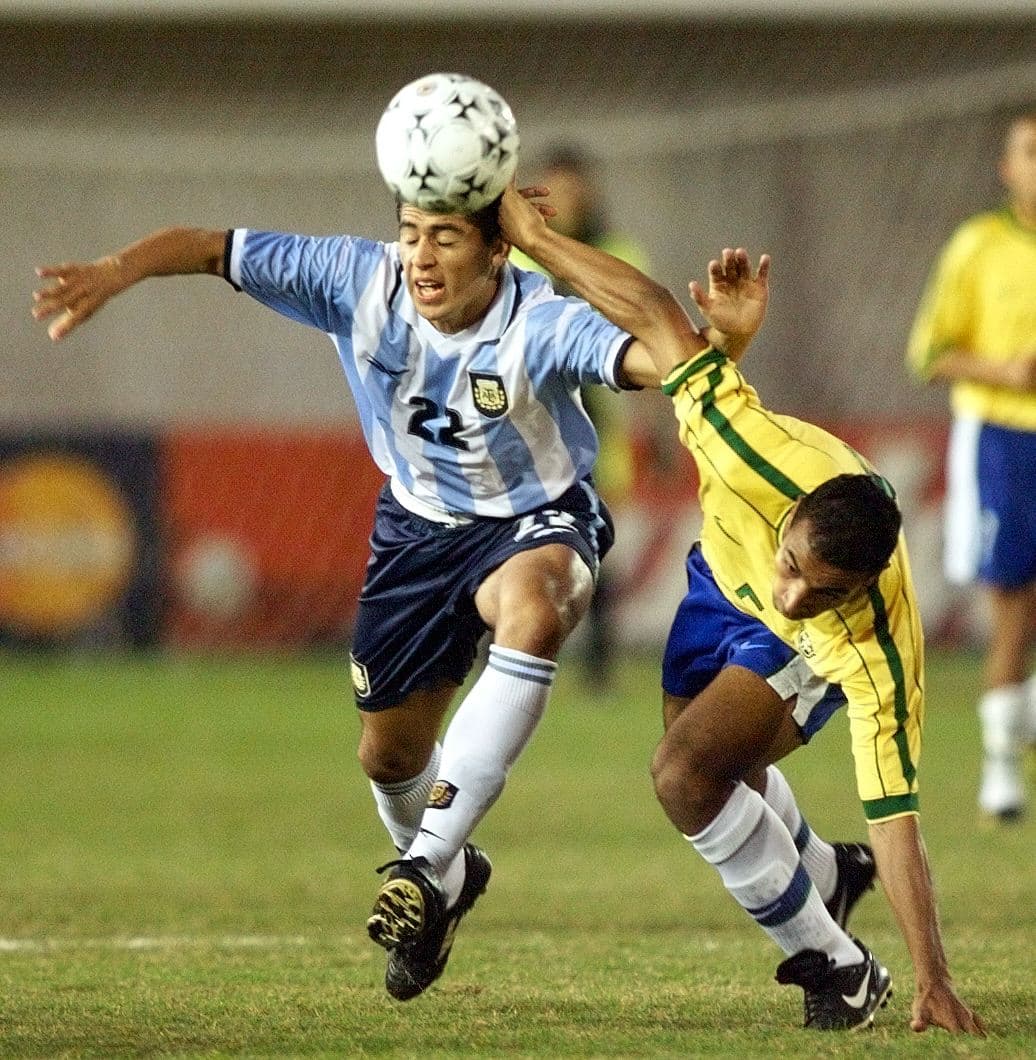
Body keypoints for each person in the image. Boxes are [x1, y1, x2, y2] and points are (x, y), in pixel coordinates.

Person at [31, 177, 670, 1000]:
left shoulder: (539, 316)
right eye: (410, 233)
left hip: (535, 517)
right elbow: (208, 245)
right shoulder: (351, 277)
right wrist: (116, 270)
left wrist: (695, 328)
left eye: (446, 237)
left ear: (498, 249)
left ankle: (422, 863)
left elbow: (662, 356)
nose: (422, 256)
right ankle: (445, 880)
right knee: (388, 754)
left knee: (536, 607)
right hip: (414, 532)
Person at [499, 184, 985, 1034]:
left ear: (862, 588)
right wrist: (535, 239)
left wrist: (933, 977)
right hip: (716, 581)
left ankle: (840, 965)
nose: (797, 595)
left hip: (794, 652)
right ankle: (823, 871)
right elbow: (654, 309)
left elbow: (898, 814)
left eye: (823, 591)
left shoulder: (872, 647)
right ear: (789, 518)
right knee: (720, 771)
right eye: (794, 566)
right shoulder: (746, 446)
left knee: (684, 773)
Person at [907, 106, 1036, 823]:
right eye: (1032, 151)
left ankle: (1018, 724)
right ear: (1008, 168)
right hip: (1006, 438)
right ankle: (1000, 769)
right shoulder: (979, 246)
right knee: (1012, 604)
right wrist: (1005, 370)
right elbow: (928, 354)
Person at [510, 144, 654, 687]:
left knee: (595, 544)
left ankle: (598, 664)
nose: (566, 198)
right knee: (500, 540)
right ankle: (492, 655)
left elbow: (649, 336)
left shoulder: (619, 254)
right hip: (521, 427)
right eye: (557, 188)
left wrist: (658, 430)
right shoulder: (518, 256)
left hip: (595, 426)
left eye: (574, 188)